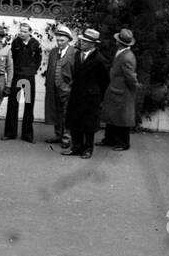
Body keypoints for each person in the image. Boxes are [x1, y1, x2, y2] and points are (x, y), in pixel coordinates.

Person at [65, 28, 110, 159]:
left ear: (92, 44)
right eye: (81, 41)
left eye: (85, 41)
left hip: (91, 97)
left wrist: (97, 96)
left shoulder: (100, 60)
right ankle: (77, 147)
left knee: (89, 125)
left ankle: (88, 149)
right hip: (77, 94)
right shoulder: (77, 55)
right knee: (75, 121)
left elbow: (105, 82)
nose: (82, 43)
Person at [100, 28, 139, 151]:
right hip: (116, 89)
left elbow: (131, 77)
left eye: (117, 40)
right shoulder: (122, 52)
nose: (115, 42)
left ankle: (123, 143)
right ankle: (109, 139)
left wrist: (132, 89)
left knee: (122, 119)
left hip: (122, 91)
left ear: (120, 42)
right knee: (112, 116)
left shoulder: (126, 57)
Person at [3, 21, 42, 142]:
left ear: (30, 32)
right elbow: (12, 59)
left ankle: (28, 135)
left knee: (29, 105)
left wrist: (31, 71)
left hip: (28, 78)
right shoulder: (16, 42)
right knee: (13, 104)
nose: (22, 33)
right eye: (21, 31)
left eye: (25, 31)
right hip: (17, 77)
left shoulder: (35, 44)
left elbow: (38, 60)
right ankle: (10, 133)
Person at [44, 25, 76, 148]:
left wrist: (71, 87)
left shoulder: (74, 53)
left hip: (67, 88)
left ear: (68, 40)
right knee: (56, 110)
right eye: (57, 40)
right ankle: (58, 134)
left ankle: (67, 137)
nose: (59, 42)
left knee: (66, 112)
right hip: (53, 88)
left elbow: (76, 72)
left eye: (62, 40)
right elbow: (49, 69)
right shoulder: (53, 52)